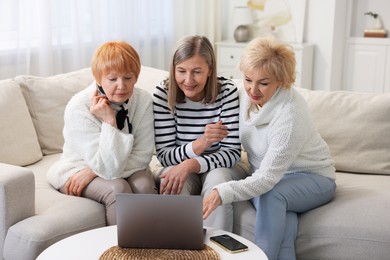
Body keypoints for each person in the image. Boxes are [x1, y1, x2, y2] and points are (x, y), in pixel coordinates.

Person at [202, 36, 336, 260]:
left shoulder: (290, 115)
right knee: (285, 226)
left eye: (263, 83)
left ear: (281, 82)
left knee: (270, 195)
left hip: (314, 178)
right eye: (247, 79)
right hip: (280, 180)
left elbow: (266, 180)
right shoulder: (246, 96)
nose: (253, 90)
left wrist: (222, 191)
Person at [47, 41, 157, 225]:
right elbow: (108, 169)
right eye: (112, 79)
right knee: (118, 188)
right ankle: (119, 253)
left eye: (128, 78)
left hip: (103, 168)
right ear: (99, 78)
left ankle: (155, 247)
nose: (121, 86)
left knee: (144, 185)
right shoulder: (78, 107)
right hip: (78, 168)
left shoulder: (144, 101)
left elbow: (142, 157)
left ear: (136, 77)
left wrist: (92, 172)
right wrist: (110, 123)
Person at [153, 35, 246, 232]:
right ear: (173, 70)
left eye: (197, 72)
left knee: (217, 184)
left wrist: (191, 164)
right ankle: (177, 251)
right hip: (179, 166)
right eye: (181, 71)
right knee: (173, 182)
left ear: (210, 70)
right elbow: (164, 155)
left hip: (221, 166)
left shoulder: (227, 92)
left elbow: (232, 153)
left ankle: (215, 251)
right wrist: (199, 144)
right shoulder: (163, 94)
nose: (188, 80)